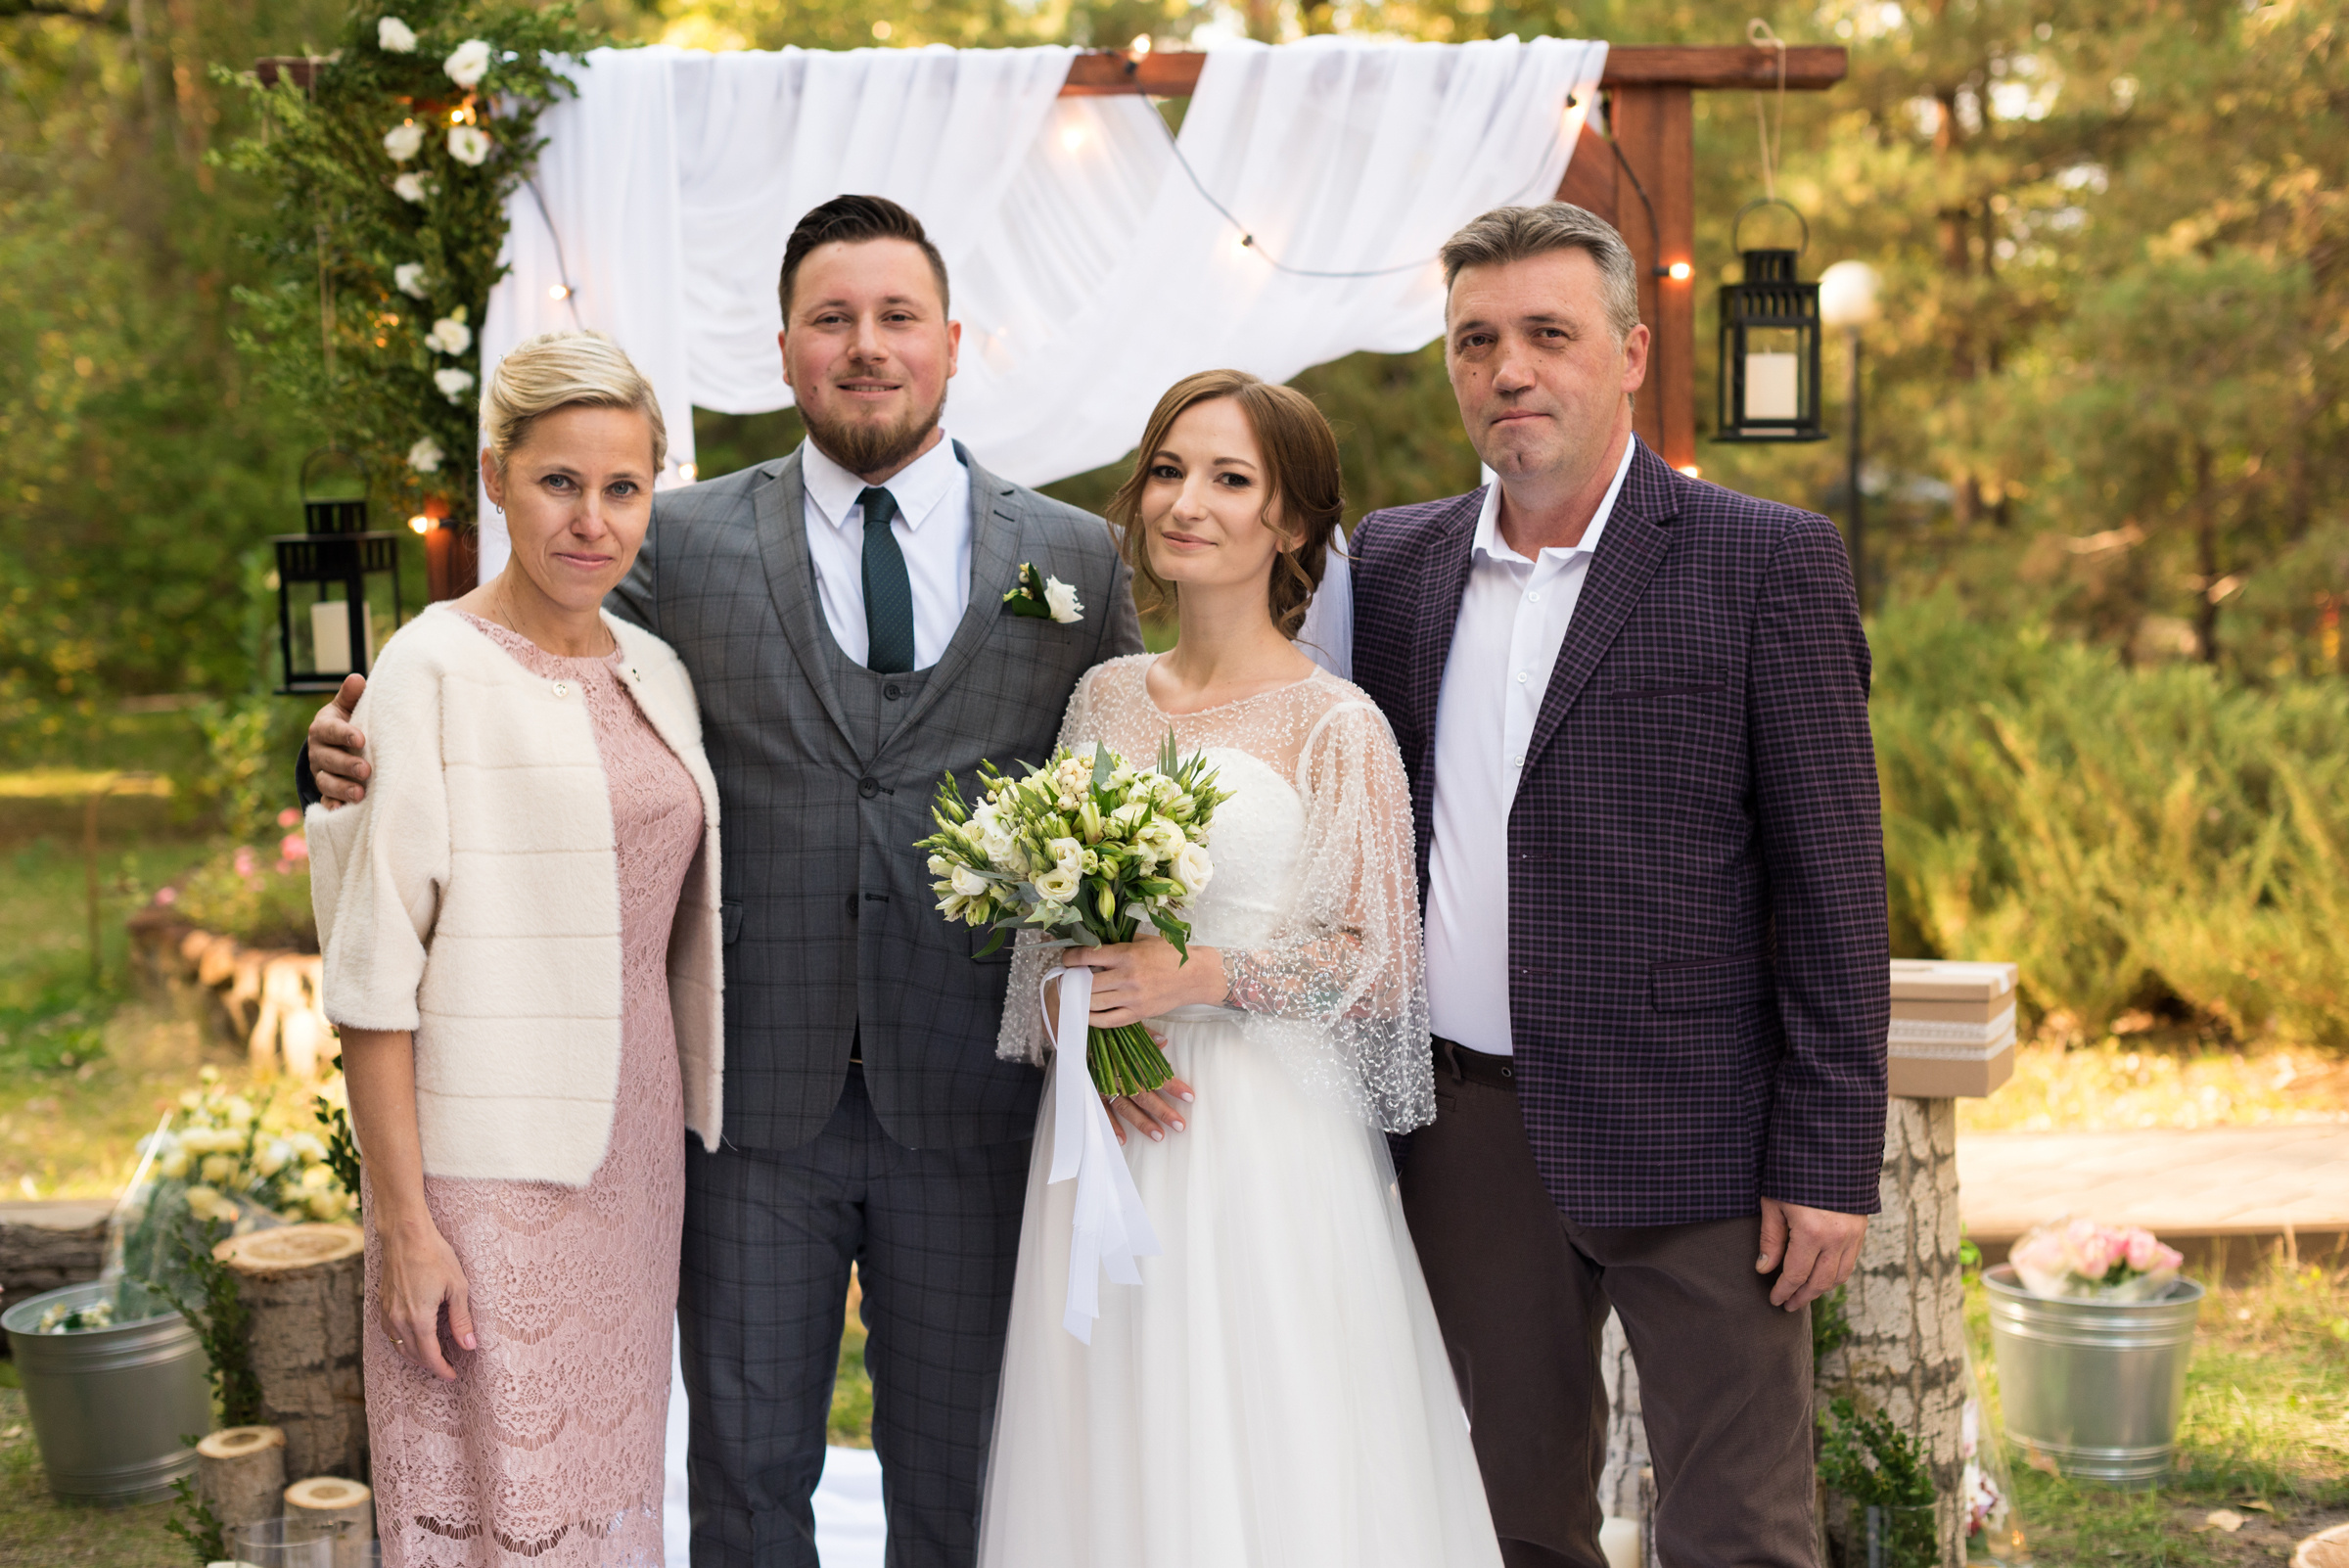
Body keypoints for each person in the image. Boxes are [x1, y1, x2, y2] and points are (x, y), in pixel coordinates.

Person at [304, 195, 1145, 1567]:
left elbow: (1130, 766)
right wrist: (350, 752)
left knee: (969, 1476)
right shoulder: (674, 538)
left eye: (895, 317)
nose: (865, 346)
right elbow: (528, 658)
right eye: (832, 318)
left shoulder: (1070, 557)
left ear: (952, 340)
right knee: (747, 1482)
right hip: (748, 1107)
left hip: (977, 1094)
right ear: (783, 348)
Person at [1347, 204, 1890, 1568]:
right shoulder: (1394, 566)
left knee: (1742, 1528)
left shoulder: (1765, 561)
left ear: (1632, 350)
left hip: (1700, 1134)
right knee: (1508, 1520)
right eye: (1477, 340)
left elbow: (1834, 887)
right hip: (1466, 1135)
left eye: (1548, 334)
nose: (1510, 370)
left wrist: (1825, 1158)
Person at [978, 370, 1501, 1568]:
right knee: (1112, 1431)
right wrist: (1093, 1022)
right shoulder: (1105, 697)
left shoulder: (1337, 723)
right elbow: (1045, 941)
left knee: (1275, 1433)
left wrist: (1202, 977)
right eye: (1168, 470)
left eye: (1229, 479)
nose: (1185, 503)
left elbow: (1374, 964)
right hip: (1112, 1128)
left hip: (1261, 1137)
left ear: (1296, 524)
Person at [305, 330, 723, 1566]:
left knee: (604, 1495)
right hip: (482, 1180)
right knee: (498, 1510)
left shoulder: (657, 669)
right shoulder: (429, 667)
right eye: (558, 482)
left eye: (623, 488)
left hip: (635, 1162)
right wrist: (409, 1225)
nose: (591, 521)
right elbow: (374, 985)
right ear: (496, 477)